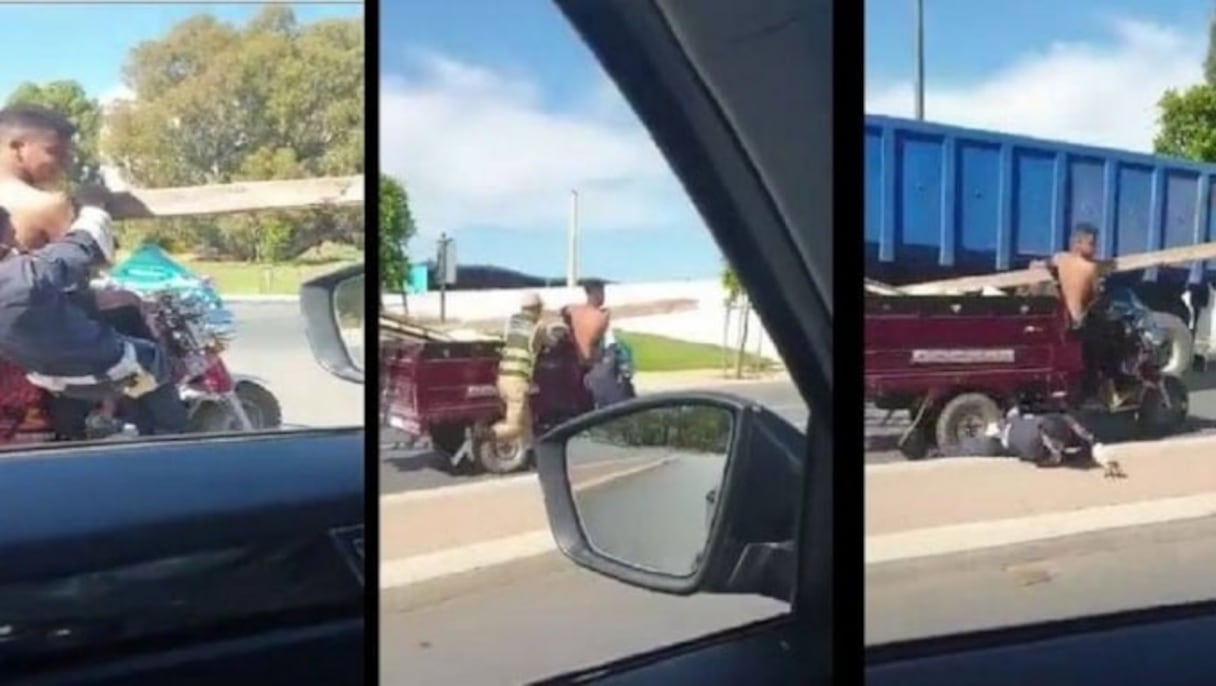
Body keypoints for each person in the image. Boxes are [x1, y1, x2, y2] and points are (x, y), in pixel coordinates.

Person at [0, 104, 186, 436]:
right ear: (17, 147)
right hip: (47, 342)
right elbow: (85, 264)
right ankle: (170, 439)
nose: (64, 162)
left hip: (12, 345)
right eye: (55, 151)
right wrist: (94, 208)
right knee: (138, 339)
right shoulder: (47, 203)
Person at [1031, 223, 1121, 407]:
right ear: (1078, 243)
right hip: (1078, 325)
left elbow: (1040, 263)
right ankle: (1100, 392)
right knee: (1109, 345)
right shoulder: (1090, 269)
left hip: (1064, 322)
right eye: (1092, 243)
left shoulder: (1061, 258)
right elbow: (1095, 297)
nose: (1095, 248)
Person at [489, 292, 548, 446]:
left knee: (526, 419)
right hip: (518, 381)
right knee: (515, 426)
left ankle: (531, 450)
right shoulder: (538, 326)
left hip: (502, 379)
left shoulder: (511, 321)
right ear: (537, 308)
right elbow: (549, 342)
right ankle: (487, 435)